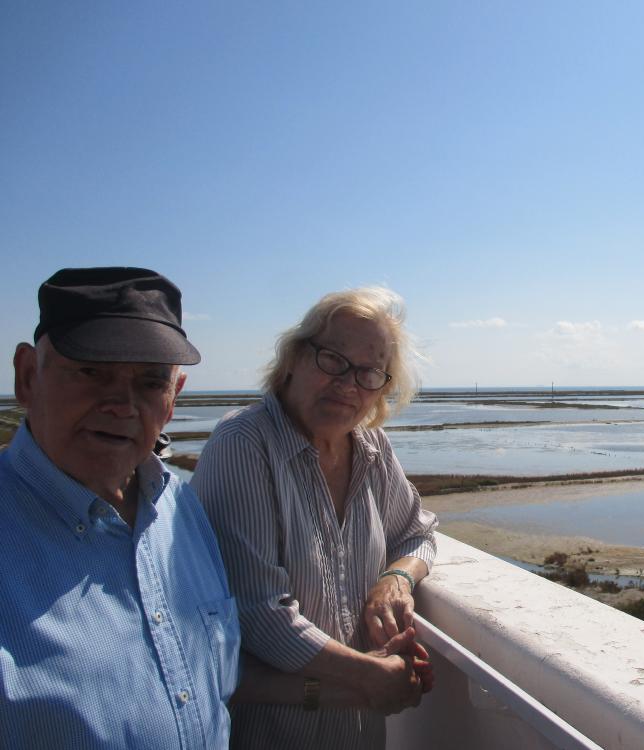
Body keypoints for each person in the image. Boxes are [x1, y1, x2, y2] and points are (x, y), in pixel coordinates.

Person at [0, 267, 240, 748]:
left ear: (173, 399)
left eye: (151, 382)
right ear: (27, 376)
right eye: (91, 371)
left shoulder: (180, 508)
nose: (121, 404)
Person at [192, 286, 438, 750]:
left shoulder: (372, 447)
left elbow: (418, 533)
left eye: (369, 372)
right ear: (293, 358)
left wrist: (396, 579)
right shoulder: (244, 444)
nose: (349, 384)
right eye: (333, 360)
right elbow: (259, 614)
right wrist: (369, 676)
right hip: (272, 734)